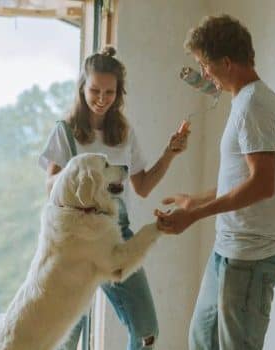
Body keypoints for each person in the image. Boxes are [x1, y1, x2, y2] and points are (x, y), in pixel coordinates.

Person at [155, 15, 275, 350]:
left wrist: (195, 217)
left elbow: (262, 185)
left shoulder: (254, 107)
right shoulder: (246, 102)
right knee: (201, 341)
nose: (204, 74)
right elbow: (243, 180)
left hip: (250, 256)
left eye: (205, 65)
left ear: (227, 63)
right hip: (228, 250)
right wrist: (196, 202)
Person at [39, 46, 190, 350]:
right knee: (66, 339)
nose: (101, 98)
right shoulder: (65, 131)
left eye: (110, 92)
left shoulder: (123, 133)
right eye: (95, 90)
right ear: (82, 88)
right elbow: (50, 188)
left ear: (118, 93)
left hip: (116, 237)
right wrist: (79, 172)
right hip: (74, 245)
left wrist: (170, 153)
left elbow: (143, 186)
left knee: (147, 331)